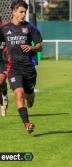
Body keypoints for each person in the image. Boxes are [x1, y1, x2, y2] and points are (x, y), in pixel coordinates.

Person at [0, 0, 43, 133]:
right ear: (13, 12)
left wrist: (31, 47)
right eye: (21, 12)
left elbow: (40, 46)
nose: (24, 14)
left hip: (28, 68)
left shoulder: (30, 28)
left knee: (29, 98)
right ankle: (27, 124)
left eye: (25, 12)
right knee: (19, 94)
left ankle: (31, 97)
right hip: (13, 68)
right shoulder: (4, 29)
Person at [0, 17, 8, 117]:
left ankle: (4, 97)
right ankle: (3, 100)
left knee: (1, 81)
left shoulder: (6, 32)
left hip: (4, 62)